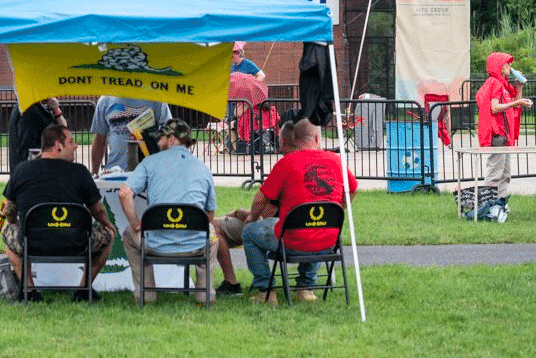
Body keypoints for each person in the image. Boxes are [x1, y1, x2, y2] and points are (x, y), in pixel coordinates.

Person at [241, 118, 357, 305]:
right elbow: (352, 190)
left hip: (292, 242)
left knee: (249, 232)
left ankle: (266, 291)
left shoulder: (287, 163)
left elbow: (260, 199)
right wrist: (338, 208)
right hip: (328, 241)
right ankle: (306, 288)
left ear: (290, 141)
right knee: (316, 228)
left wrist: (252, 217)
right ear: (317, 138)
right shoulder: (336, 161)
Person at [1, 124, 116, 302]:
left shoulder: (22, 170)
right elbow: (98, 210)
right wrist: (108, 225)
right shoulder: (80, 172)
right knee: (108, 234)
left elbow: (9, 208)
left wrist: (12, 222)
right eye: (71, 141)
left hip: (31, 243)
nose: (76, 146)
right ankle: (84, 290)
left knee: (8, 236)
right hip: (77, 243)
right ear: (58, 145)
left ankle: (29, 291)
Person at [118, 118, 218, 305]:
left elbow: (124, 193)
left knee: (129, 234)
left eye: (161, 138)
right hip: (195, 245)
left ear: (171, 139)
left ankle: (145, 295)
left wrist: (135, 224)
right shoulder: (203, 168)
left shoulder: (150, 162)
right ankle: (205, 295)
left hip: (155, 243)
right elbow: (209, 216)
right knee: (211, 234)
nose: (157, 142)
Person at [212, 121, 296, 295]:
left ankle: (261, 289)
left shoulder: (286, 167)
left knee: (223, 228)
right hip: (319, 236)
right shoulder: (327, 164)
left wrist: (240, 213)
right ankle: (307, 286)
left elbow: (263, 215)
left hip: (282, 234)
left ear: (282, 142)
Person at [476, 52, 533, 210]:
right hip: (498, 134)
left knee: (505, 173)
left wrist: (519, 89)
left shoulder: (504, 84)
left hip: (504, 135)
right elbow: (494, 108)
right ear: (499, 67)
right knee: (495, 173)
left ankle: (500, 204)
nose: (510, 67)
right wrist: (519, 101)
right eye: (507, 64)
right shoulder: (494, 82)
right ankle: (486, 206)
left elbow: (514, 104)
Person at [90, 95, 171, 175]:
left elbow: (168, 134)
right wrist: (94, 173)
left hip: (148, 172)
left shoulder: (155, 97)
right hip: (115, 173)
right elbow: (99, 140)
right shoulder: (106, 99)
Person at [7, 97, 66, 172]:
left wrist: (57, 112)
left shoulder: (41, 108)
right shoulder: (30, 111)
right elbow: (29, 150)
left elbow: (64, 131)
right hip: (32, 173)